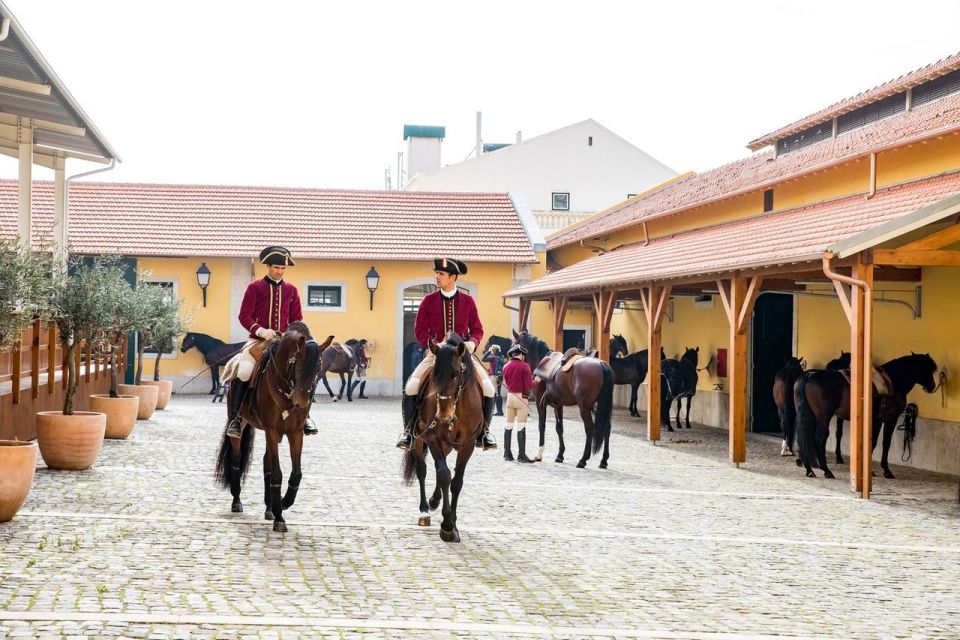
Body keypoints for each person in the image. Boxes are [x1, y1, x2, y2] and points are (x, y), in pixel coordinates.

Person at [396, 257, 497, 451]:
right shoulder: (428, 300)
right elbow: (420, 329)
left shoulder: (468, 301)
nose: (437, 276)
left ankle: (484, 433)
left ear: (453, 277)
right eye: (436, 273)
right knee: (411, 386)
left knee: (488, 387)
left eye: (441, 274)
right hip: (436, 355)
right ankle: (408, 432)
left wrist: (472, 343)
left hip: (462, 354)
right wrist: (432, 344)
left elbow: (477, 329)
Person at [225, 245, 318, 439]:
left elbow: (296, 319)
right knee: (244, 371)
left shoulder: (291, 290)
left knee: (304, 371)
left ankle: (306, 416)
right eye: (276, 267)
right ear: (268, 266)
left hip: (284, 343)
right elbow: (244, 316)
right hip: (257, 340)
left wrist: (291, 334)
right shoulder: (254, 287)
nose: (279, 271)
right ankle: (236, 418)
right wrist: (260, 330)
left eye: (283, 268)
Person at [502, 343, 537, 462]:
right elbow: (528, 386)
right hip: (521, 398)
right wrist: (537, 381)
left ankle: (507, 453)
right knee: (521, 426)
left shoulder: (505, 366)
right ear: (521, 354)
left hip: (510, 398)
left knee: (508, 426)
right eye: (524, 355)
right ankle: (521, 455)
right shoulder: (525, 366)